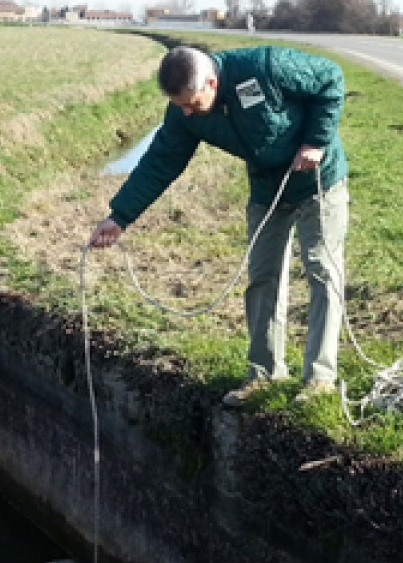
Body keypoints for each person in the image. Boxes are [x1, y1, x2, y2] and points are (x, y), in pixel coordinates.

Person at [89, 45, 350, 407]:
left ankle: (319, 378)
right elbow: (160, 162)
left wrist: (316, 142)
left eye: (193, 103)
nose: (187, 112)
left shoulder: (265, 67)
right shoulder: (184, 113)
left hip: (317, 180)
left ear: (212, 81)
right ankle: (265, 373)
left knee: (321, 269)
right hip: (266, 187)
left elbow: (330, 78)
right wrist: (119, 217)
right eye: (180, 105)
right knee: (262, 277)